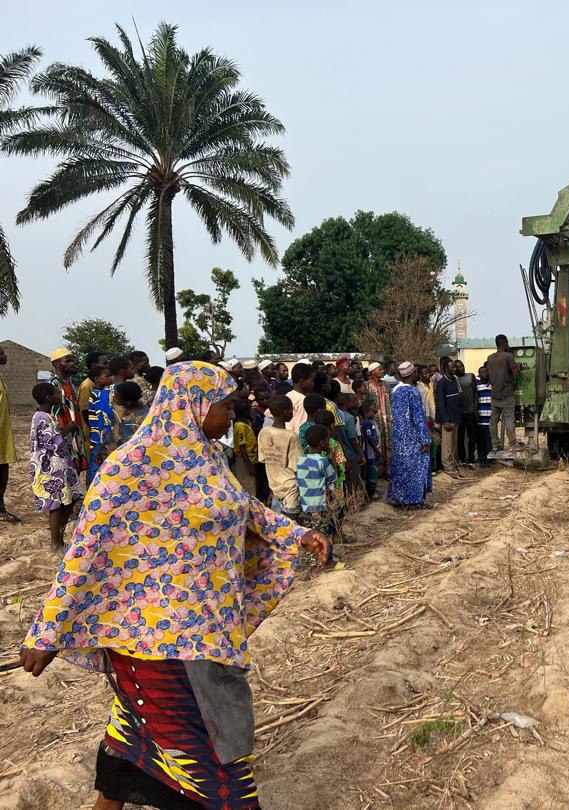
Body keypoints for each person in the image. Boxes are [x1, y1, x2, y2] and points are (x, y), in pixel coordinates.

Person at [20, 362, 328, 810]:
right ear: (192, 405)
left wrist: (296, 535)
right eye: (224, 407)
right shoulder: (129, 467)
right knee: (219, 772)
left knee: (134, 735)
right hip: (156, 644)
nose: (230, 417)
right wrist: (49, 631)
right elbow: (85, 552)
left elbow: (245, 509)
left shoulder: (207, 460)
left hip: (205, 630)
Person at [30, 382, 84, 548]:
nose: (59, 395)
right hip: (51, 468)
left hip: (60, 465)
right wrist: (68, 428)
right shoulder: (42, 417)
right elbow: (52, 442)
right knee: (56, 505)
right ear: (48, 397)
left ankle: (60, 540)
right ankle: (55, 543)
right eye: (55, 393)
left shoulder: (47, 415)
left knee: (68, 501)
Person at [386, 361, 432, 508]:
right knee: (416, 468)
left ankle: (398, 498)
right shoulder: (412, 391)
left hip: (399, 437)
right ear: (412, 374)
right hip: (412, 437)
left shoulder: (395, 391)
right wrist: (425, 439)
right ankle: (413, 500)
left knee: (400, 468)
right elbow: (418, 417)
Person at [296, 424, 337, 560]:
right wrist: (333, 461)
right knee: (323, 533)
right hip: (320, 504)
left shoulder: (301, 460)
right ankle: (324, 560)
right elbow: (333, 477)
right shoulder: (323, 461)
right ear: (322, 443)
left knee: (310, 533)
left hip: (305, 504)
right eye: (327, 440)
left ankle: (310, 561)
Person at [49, 348, 89, 477]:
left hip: (75, 434)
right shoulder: (53, 384)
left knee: (74, 471)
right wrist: (63, 431)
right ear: (55, 364)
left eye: (73, 360)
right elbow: (50, 413)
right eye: (67, 361)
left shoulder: (71, 383)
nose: (72, 363)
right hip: (63, 435)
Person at [259, 395, 301, 518]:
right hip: (290, 489)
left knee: (279, 527)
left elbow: (264, 459)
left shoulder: (264, 432)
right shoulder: (291, 437)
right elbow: (298, 466)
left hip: (274, 487)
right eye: (292, 410)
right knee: (292, 526)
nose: (293, 413)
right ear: (285, 412)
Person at [486, 335, 520, 451]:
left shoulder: (490, 358)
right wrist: (517, 369)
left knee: (493, 421)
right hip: (507, 394)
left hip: (494, 395)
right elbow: (514, 372)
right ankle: (512, 445)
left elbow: (490, 374)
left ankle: (495, 445)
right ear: (505, 343)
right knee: (509, 420)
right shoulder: (509, 356)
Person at [85, 364, 114, 485]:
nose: (110, 378)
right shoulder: (96, 395)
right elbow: (101, 417)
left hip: (100, 434)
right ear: (97, 379)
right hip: (98, 435)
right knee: (96, 464)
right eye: (106, 376)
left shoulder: (101, 393)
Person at [0, 345, 19, 521]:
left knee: (3, 468)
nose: (5, 355)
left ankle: (1, 508)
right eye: (2, 353)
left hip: (3, 433)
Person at [435, 355, 463, 477]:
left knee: (453, 444)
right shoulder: (442, 383)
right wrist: (445, 420)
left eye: (455, 367)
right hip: (448, 419)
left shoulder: (455, 380)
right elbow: (440, 403)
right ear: (446, 369)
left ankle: (453, 464)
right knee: (446, 445)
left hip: (456, 417)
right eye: (452, 367)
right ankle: (447, 466)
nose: (455, 369)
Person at [366, 362, 393, 476]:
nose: (382, 371)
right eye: (379, 369)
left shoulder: (386, 385)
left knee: (388, 443)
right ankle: (377, 471)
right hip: (374, 419)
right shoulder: (367, 386)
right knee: (377, 443)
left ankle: (388, 470)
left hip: (387, 419)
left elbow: (391, 401)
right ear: (373, 372)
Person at [231, 398, 259, 495]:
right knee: (247, 485)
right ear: (245, 411)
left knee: (252, 483)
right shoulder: (240, 426)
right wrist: (249, 466)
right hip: (244, 460)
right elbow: (242, 447)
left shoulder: (246, 423)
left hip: (250, 458)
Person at [78, 350, 109, 427]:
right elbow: (85, 412)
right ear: (94, 365)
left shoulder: (104, 382)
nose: (107, 366)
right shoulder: (87, 385)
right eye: (104, 363)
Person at [455, 360, 479, 465]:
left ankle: (471, 458)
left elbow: (475, 393)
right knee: (460, 437)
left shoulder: (470, 376)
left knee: (472, 436)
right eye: (458, 367)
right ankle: (462, 458)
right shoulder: (454, 379)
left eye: (462, 366)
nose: (461, 368)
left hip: (470, 411)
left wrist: (475, 409)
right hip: (459, 412)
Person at [360, 399, 382, 499]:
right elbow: (369, 439)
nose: (376, 413)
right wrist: (377, 451)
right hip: (370, 453)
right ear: (366, 411)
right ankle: (371, 493)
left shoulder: (370, 422)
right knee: (372, 471)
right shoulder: (366, 424)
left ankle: (373, 491)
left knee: (374, 470)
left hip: (373, 452)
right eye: (373, 411)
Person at [285, 362, 314, 433]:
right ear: (301, 381)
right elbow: (300, 427)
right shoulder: (303, 401)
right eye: (311, 381)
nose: (313, 384)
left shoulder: (288, 395)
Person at [476, 364, 493, 466]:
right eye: (482, 372)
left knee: (488, 440)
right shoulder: (477, 383)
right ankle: (482, 459)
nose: (484, 374)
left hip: (490, 417)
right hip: (480, 417)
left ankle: (489, 459)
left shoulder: (492, 383)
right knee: (480, 440)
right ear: (479, 374)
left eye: (486, 372)